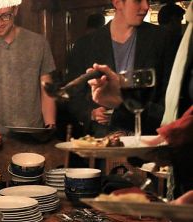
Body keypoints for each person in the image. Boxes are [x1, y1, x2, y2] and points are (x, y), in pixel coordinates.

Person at [66, 0, 174, 137]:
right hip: (101, 141)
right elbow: (73, 96)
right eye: (138, 0)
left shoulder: (163, 39)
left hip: (148, 137)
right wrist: (91, 113)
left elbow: (170, 97)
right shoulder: (85, 45)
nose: (146, 6)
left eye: (148, 0)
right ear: (117, 3)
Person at [0, 5, 56, 155]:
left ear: (15, 11)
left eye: (5, 16)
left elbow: (47, 91)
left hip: (35, 136)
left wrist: (50, 126)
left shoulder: (38, 43)